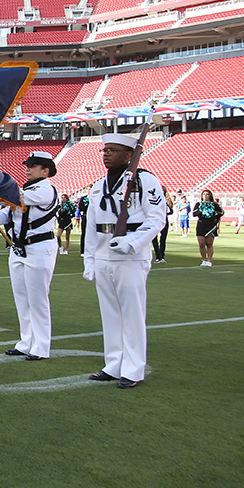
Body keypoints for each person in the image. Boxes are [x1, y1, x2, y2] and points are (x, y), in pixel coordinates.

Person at [83, 133, 167, 389]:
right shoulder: (98, 185)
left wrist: (133, 242)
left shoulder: (144, 181)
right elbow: (91, 226)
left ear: (129, 155)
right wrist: (89, 259)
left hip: (130, 257)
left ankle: (133, 369)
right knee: (110, 315)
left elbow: (156, 219)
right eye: (104, 150)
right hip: (103, 254)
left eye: (113, 150)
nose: (106, 154)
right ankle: (113, 364)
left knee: (131, 314)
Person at [0, 152, 60, 360]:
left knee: (37, 299)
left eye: (33, 166)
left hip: (39, 247)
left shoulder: (45, 189)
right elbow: (13, 210)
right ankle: (25, 342)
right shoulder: (29, 188)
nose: (28, 168)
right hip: (19, 248)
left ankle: (41, 347)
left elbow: (16, 198)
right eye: (28, 165)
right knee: (22, 298)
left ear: (45, 170)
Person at [193, 189, 223, 267]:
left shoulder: (214, 204)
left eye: (207, 194)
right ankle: (204, 259)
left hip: (211, 226)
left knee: (209, 244)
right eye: (204, 194)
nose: (205, 196)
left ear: (210, 196)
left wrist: (214, 217)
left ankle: (209, 260)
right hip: (201, 225)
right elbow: (194, 213)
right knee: (201, 244)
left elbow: (221, 212)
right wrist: (201, 212)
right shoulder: (198, 204)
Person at [151, 187, 172, 264]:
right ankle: (157, 256)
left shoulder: (167, 199)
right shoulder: (155, 197)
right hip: (155, 219)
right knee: (154, 238)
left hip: (164, 219)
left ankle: (162, 256)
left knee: (163, 239)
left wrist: (166, 212)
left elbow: (171, 210)